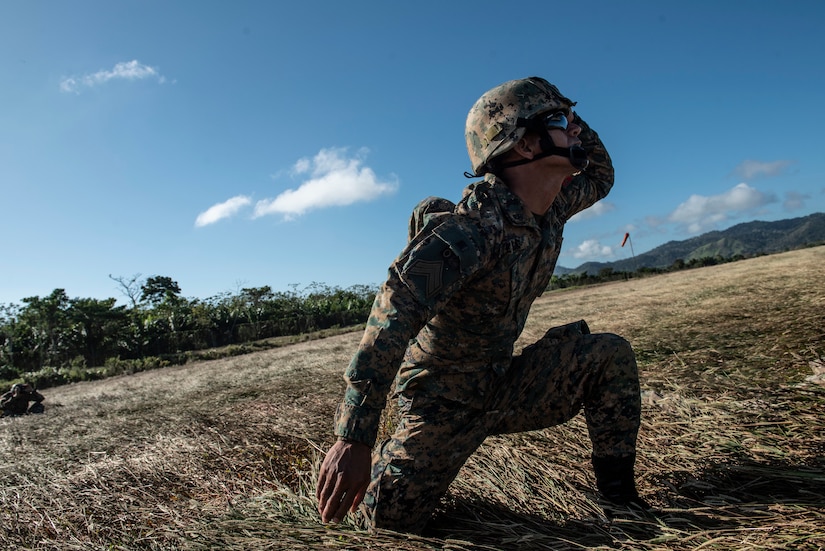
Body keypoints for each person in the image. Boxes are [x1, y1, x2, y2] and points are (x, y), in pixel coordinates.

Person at [316, 76, 646, 534]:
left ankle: (622, 504)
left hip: (502, 384)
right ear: (525, 146)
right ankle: (387, 463)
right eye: (559, 123)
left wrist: (560, 110)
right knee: (385, 523)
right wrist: (353, 438)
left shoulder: (551, 206)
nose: (575, 130)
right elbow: (390, 321)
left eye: (573, 121)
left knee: (608, 356)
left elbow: (602, 175)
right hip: (441, 404)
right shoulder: (465, 234)